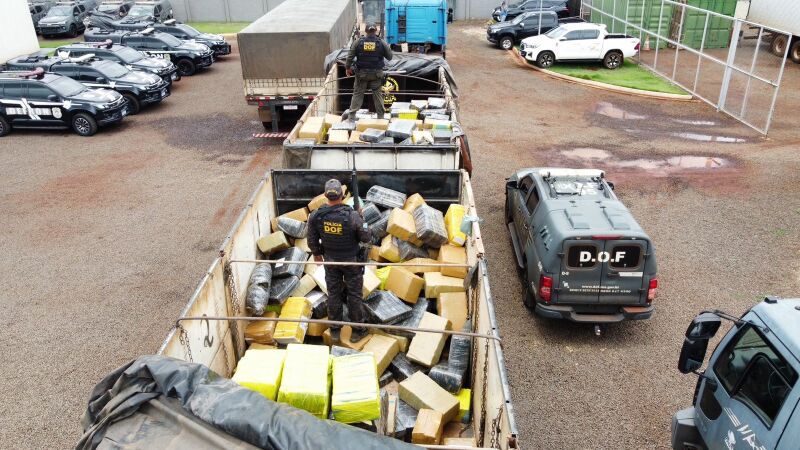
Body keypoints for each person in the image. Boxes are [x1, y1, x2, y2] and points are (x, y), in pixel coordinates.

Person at [307, 179, 372, 343]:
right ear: (342, 195)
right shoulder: (352, 215)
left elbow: (311, 238)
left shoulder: (316, 215)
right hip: (351, 262)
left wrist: (316, 254)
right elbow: (366, 237)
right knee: (354, 296)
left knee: (333, 294)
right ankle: (357, 330)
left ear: (325, 195)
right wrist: (362, 217)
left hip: (331, 261)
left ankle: (335, 329)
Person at [345, 23, 394, 120]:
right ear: (375, 31)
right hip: (376, 75)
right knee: (377, 95)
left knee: (358, 93)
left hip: (361, 75)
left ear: (366, 31)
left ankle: (352, 116)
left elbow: (350, 56)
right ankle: (380, 117)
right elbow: (390, 57)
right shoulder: (381, 42)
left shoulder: (358, 42)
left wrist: (347, 68)